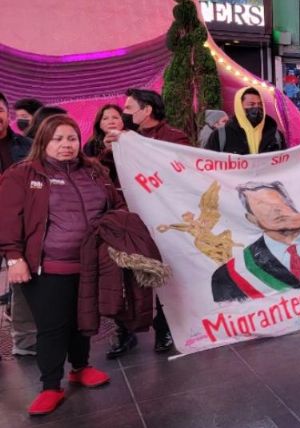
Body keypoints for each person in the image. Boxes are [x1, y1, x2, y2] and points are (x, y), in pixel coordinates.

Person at [0, 115, 123, 415]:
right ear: (43, 141)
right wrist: (14, 258)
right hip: (47, 268)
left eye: (71, 138)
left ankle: (80, 368)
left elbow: (115, 205)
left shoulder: (94, 171)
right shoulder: (23, 174)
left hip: (90, 264)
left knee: (83, 321)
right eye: (58, 139)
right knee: (53, 328)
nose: (66, 145)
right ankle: (50, 386)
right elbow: (5, 221)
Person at [104, 88, 190, 356]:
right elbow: (107, 175)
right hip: (132, 219)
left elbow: (185, 176)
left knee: (164, 275)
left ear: (147, 110)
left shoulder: (175, 139)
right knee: (128, 275)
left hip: (166, 219)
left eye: (129, 109)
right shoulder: (123, 140)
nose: (124, 114)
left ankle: (164, 331)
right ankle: (126, 333)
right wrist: (111, 152)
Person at [0, 92, 38, 358]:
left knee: (23, 282)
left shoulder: (27, 145)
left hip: (20, 223)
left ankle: (24, 342)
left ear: (7, 113)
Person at [205, 87, 286, 154]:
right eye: (251, 104)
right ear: (240, 107)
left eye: (260, 104)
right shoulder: (220, 136)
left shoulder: (276, 135)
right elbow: (209, 165)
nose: (257, 108)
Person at [82, 104, 124, 184]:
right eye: (105, 119)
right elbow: (90, 172)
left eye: (115, 118)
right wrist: (106, 151)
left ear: (123, 121)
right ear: (99, 124)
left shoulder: (132, 139)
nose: (111, 122)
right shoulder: (90, 146)